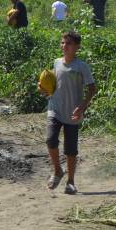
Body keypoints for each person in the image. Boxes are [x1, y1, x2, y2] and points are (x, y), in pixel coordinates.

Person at [41, 30, 96, 195]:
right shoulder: (57, 62)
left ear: (77, 47)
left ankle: (71, 181)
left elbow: (92, 88)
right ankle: (57, 170)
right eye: (63, 43)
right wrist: (43, 89)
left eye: (69, 43)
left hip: (73, 112)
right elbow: (51, 85)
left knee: (70, 150)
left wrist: (82, 107)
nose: (64, 46)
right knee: (50, 140)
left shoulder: (81, 66)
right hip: (55, 109)